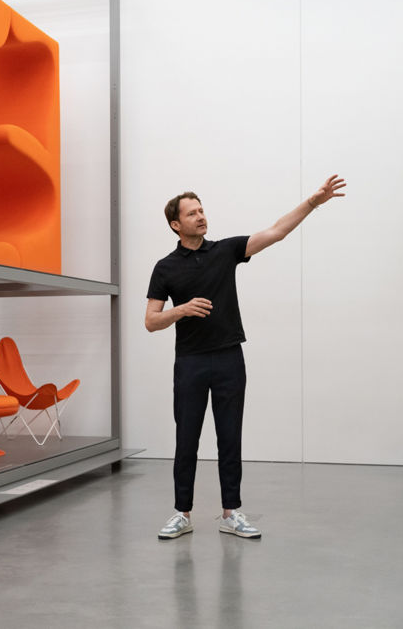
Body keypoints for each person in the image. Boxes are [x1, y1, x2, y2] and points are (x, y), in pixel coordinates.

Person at [145, 174, 347, 540]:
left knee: (229, 436)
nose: (201, 217)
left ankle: (231, 513)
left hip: (228, 359)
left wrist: (312, 202)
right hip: (189, 362)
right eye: (192, 213)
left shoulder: (225, 251)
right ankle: (182, 513)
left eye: (202, 210)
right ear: (176, 224)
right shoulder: (165, 268)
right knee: (186, 438)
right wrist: (182, 310)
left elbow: (276, 232)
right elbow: (150, 321)